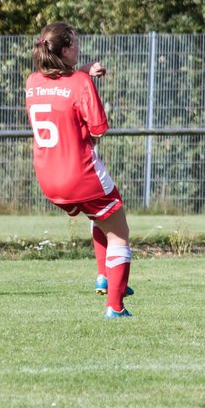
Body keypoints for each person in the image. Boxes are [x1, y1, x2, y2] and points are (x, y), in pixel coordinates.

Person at [25, 22, 131, 317]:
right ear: (65, 49)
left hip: (48, 179)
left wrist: (82, 69)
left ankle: (103, 276)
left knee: (100, 215)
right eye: (75, 44)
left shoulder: (32, 81)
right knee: (119, 232)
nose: (79, 47)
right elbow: (98, 130)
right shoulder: (81, 84)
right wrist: (85, 81)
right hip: (79, 173)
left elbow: (59, 84)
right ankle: (115, 306)